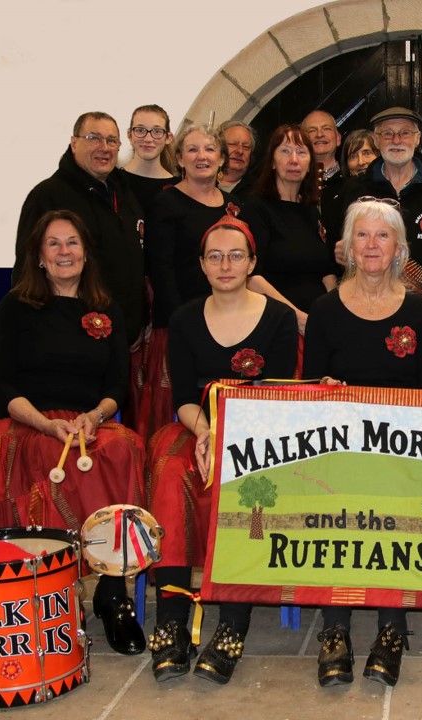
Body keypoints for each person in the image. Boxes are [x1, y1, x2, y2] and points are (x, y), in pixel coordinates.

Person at [0, 209, 147, 656]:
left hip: (88, 420)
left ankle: (112, 591)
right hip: (29, 420)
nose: (64, 252)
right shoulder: (14, 307)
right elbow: (4, 384)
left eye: (73, 242)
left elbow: (117, 386)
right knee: (51, 457)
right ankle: (52, 592)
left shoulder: (106, 309)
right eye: (54, 244)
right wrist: (46, 423)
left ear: (86, 253)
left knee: (121, 451)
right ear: (39, 256)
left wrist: (95, 416)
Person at [147, 216, 297, 685]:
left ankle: (233, 623)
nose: (225, 264)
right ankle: (170, 615)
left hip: (260, 431)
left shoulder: (279, 317)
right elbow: (184, 400)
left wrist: (234, 438)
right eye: (215, 256)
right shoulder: (185, 317)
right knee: (171, 475)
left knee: (247, 487)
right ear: (202, 264)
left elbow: (282, 393)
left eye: (236, 255)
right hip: (200, 427)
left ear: (253, 262)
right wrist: (207, 434)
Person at [303, 199, 422, 688]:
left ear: (400, 247)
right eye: (362, 235)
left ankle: (391, 627)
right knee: (334, 491)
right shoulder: (324, 310)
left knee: (391, 492)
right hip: (337, 444)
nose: (371, 246)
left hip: (403, 445)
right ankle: (335, 629)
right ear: (346, 247)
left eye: (382, 236)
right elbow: (309, 392)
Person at [140, 124, 240, 439]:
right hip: (179, 324)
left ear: (222, 158)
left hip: (227, 324)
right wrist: (188, 323)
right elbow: (161, 269)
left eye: (210, 149)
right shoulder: (166, 203)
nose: (201, 157)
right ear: (180, 159)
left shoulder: (232, 207)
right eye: (192, 150)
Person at [14, 112, 145, 349]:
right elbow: (26, 269)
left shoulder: (126, 195)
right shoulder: (48, 196)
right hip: (69, 341)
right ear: (74, 143)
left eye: (112, 140)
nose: (104, 147)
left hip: (121, 341)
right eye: (94, 138)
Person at [330, 106, 422, 333]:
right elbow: (337, 249)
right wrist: (341, 252)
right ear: (376, 139)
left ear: (417, 138)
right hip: (365, 311)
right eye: (387, 133)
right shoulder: (354, 190)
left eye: (404, 132)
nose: (396, 139)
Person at [243, 124, 337, 336]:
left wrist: (335, 309)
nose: (294, 159)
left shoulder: (312, 211)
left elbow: (327, 270)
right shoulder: (256, 209)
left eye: (301, 152)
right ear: (272, 162)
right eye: (285, 151)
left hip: (318, 322)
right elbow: (251, 276)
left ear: (310, 163)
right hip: (277, 323)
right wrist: (298, 317)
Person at [121, 104, 177, 214]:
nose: (148, 139)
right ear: (129, 135)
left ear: (168, 138)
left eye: (157, 131)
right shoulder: (114, 181)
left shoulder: (178, 188)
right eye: (140, 130)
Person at [217, 120, 256, 198]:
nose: (240, 151)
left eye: (246, 147)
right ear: (218, 147)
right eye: (233, 144)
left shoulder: (257, 192)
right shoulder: (200, 180)